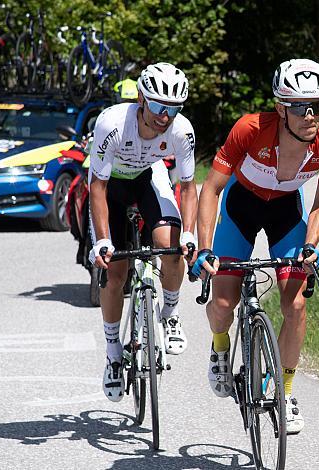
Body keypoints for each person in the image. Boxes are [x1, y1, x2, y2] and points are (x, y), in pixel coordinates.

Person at [191, 58, 319, 434]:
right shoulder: (250, 129)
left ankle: (284, 389)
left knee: (295, 304)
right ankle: (219, 347)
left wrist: (311, 245)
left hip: (285, 213)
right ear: (281, 108)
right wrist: (205, 247)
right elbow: (210, 188)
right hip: (241, 206)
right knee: (224, 302)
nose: (312, 116)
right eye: (301, 107)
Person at [89, 62, 198, 402]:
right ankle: (112, 353)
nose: (165, 116)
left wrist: (191, 234)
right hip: (112, 188)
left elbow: (189, 186)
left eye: (173, 109)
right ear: (140, 99)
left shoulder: (182, 131)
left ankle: (170, 311)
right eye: (158, 106)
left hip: (149, 179)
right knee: (115, 272)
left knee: (171, 245)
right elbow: (97, 187)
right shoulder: (112, 124)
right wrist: (103, 240)